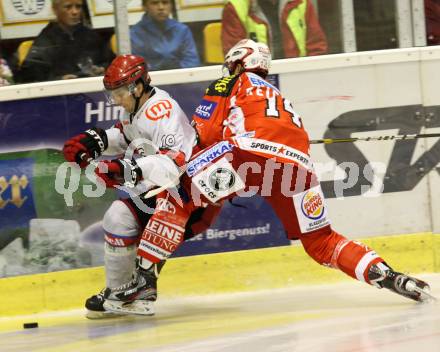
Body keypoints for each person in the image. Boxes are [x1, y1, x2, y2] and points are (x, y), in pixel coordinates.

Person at [98, 39, 432, 315]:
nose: (228, 71)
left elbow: (203, 134)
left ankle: (143, 282)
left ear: (238, 64)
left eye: (230, 65)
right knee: (321, 242)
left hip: (246, 157)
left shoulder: (229, 82)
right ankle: (390, 276)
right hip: (298, 168)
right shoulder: (279, 96)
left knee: (179, 190)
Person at [62, 54, 218, 318]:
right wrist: (97, 141)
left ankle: (137, 292)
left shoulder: (162, 111)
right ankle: (119, 293)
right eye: (112, 94)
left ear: (137, 86)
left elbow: (173, 163)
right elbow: (127, 137)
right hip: (168, 192)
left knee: (122, 217)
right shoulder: (136, 109)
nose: (116, 100)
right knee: (117, 217)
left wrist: (127, 170)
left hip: (191, 197)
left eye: (120, 92)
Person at [16, 0, 114, 83]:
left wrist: (102, 69)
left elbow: (111, 62)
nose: (75, 12)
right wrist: (58, 80)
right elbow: (28, 78)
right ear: (55, 9)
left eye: (78, 6)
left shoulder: (90, 35)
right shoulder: (46, 40)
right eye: (68, 7)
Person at [221, 0, 328, 59]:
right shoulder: (235, 7)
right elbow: (235, 58)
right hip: (256, 82)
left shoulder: (300, 2)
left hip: (298, 75)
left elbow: (317, 48)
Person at [130, 0, 200, 71]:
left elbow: (192, 62)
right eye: (154, 3)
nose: (161, 7)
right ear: (145, 7)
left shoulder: (182, 30)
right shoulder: (134, 33)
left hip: (180, 78)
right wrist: (157, 68)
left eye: (165, 2)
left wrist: (176, 69)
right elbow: (136, 67)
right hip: (150, 80)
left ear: (171, 6)